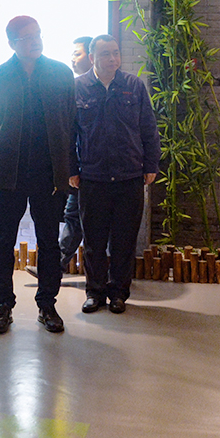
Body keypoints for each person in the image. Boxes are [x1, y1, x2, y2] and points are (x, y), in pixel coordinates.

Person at [0, 15, 75, 334]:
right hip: (10, 173)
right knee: (3, 241)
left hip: (50, 174)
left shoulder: (61, 73)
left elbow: (70, 122)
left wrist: (68, 169)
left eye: (37, 35)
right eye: (26, 38)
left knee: (49, 242)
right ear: (12, 43)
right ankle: (3, 305)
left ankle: (47, 304)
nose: (35, 41)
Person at [72, 34, 160, 314]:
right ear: (92, 58)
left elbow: (148, 128)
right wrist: (72, 169)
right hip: (93, 177)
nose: (113, 59)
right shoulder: (78, 87)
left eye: (116, 53)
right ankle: (94, 293)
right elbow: (69, 133)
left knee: (124, 241)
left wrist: (151, 165)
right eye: (106, 54)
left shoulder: (134, 86)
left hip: (129, 176)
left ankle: (119, 293)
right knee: (94, 241)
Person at [27, 35, 92, 279]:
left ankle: (60, 266)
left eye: (77, 53)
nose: (72, 59)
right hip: (74, 166)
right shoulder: (71, 85)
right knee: (73, 216)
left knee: (79, 217)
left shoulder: (86, 89)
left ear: (91, 56)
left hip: (92, 167)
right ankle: (57, 265)